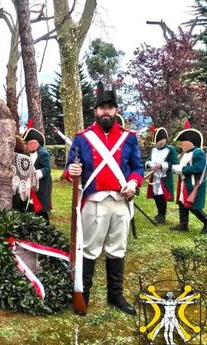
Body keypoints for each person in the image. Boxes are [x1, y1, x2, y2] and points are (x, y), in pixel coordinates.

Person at [64, 81, 144, 315]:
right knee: (89, 250)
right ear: (96, 111)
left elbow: (137, 168)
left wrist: (133, 182)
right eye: (102, 107)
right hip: (95, 203)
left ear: (116, 110)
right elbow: (70, 169)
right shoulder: (82, 138)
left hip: (120, 202)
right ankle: (84, 294)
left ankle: (115, 296)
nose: (106, 111)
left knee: (117, 249)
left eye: (110, 107)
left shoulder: (129, 138)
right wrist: (72, 172)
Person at [170, 127, 207, 234]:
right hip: (184, 183)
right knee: (182, 204)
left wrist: (181, 169)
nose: (181, 145)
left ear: (190, 143)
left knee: (194, 207)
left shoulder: (198, 153)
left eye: (183, 142)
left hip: (194, 184)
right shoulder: (185, 154)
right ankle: (183, 225)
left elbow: (198, 168)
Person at [145, 127, 178, 224]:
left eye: (159, 141)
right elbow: (148, 160)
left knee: (162, 195)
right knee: (156, 195)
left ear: (164, 139)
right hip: (154, 176)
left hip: (164, 177)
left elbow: (174, 163)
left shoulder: (171, 150)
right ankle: (159, 213)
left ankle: (162, 216)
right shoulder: (153, 150)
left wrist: (161, 165)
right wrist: (150, 165)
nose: (157, 144)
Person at [21, 126, 52, 224]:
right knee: (32, 205)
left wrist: (35, 174)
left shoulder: (43, 153)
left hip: (42, 185)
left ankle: (46, 226)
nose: (26, 146)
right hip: (32, 185)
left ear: (35, 143)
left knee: (40, 207)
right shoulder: (28, 154)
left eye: (28, 143)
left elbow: (47, 169)